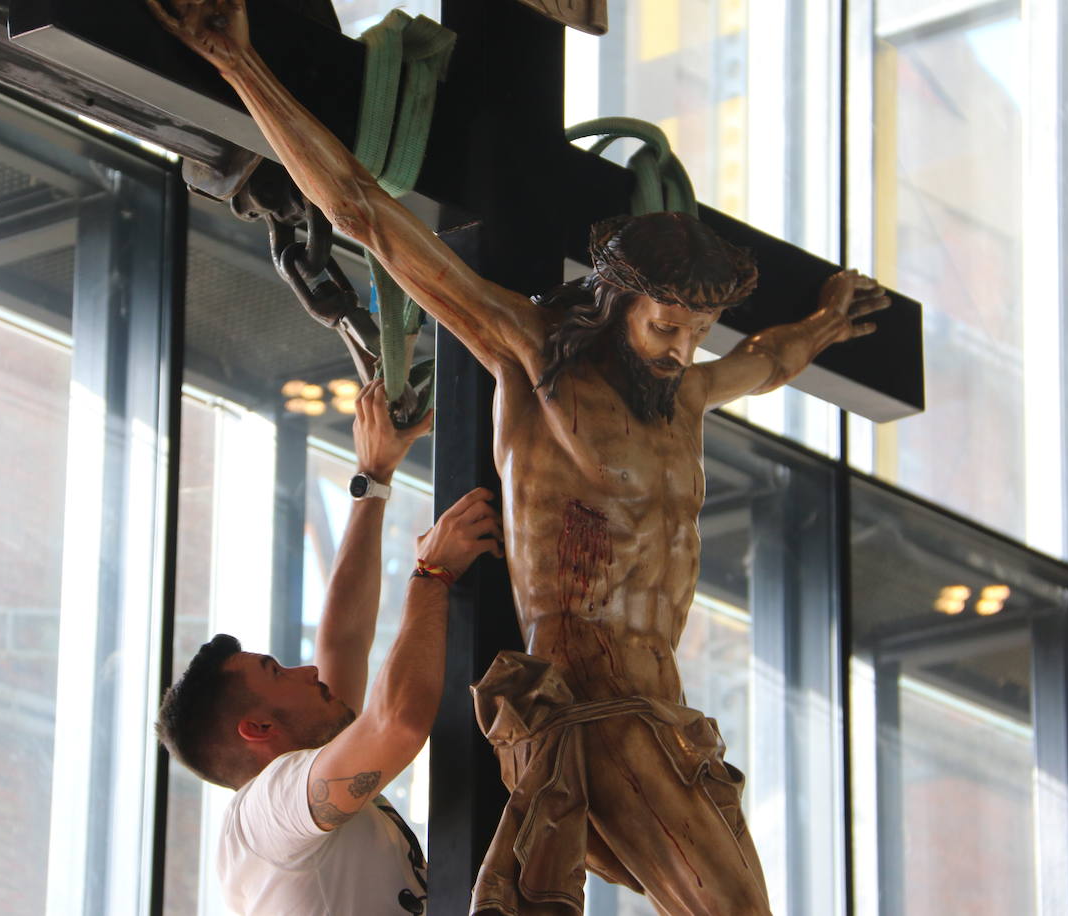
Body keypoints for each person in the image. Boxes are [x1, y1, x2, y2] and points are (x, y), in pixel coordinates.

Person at [145, 4, 890, 913]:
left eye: (697, 330)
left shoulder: (684, 393)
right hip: (595, 700)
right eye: (666, 324)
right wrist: (236, 60)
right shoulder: (534, 357)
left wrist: (373, 482)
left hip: (675, 719)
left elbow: (764, 360)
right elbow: (366, 215)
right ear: (618, 303)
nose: (681, 347)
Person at [156, 380, 503, 915]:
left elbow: (343, 638)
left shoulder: (302, 790)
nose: (306, 669)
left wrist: (376, 476)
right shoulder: (266, 811)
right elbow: (398, 725)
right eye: (277, 672)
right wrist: (431, 575)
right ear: (260, 730)